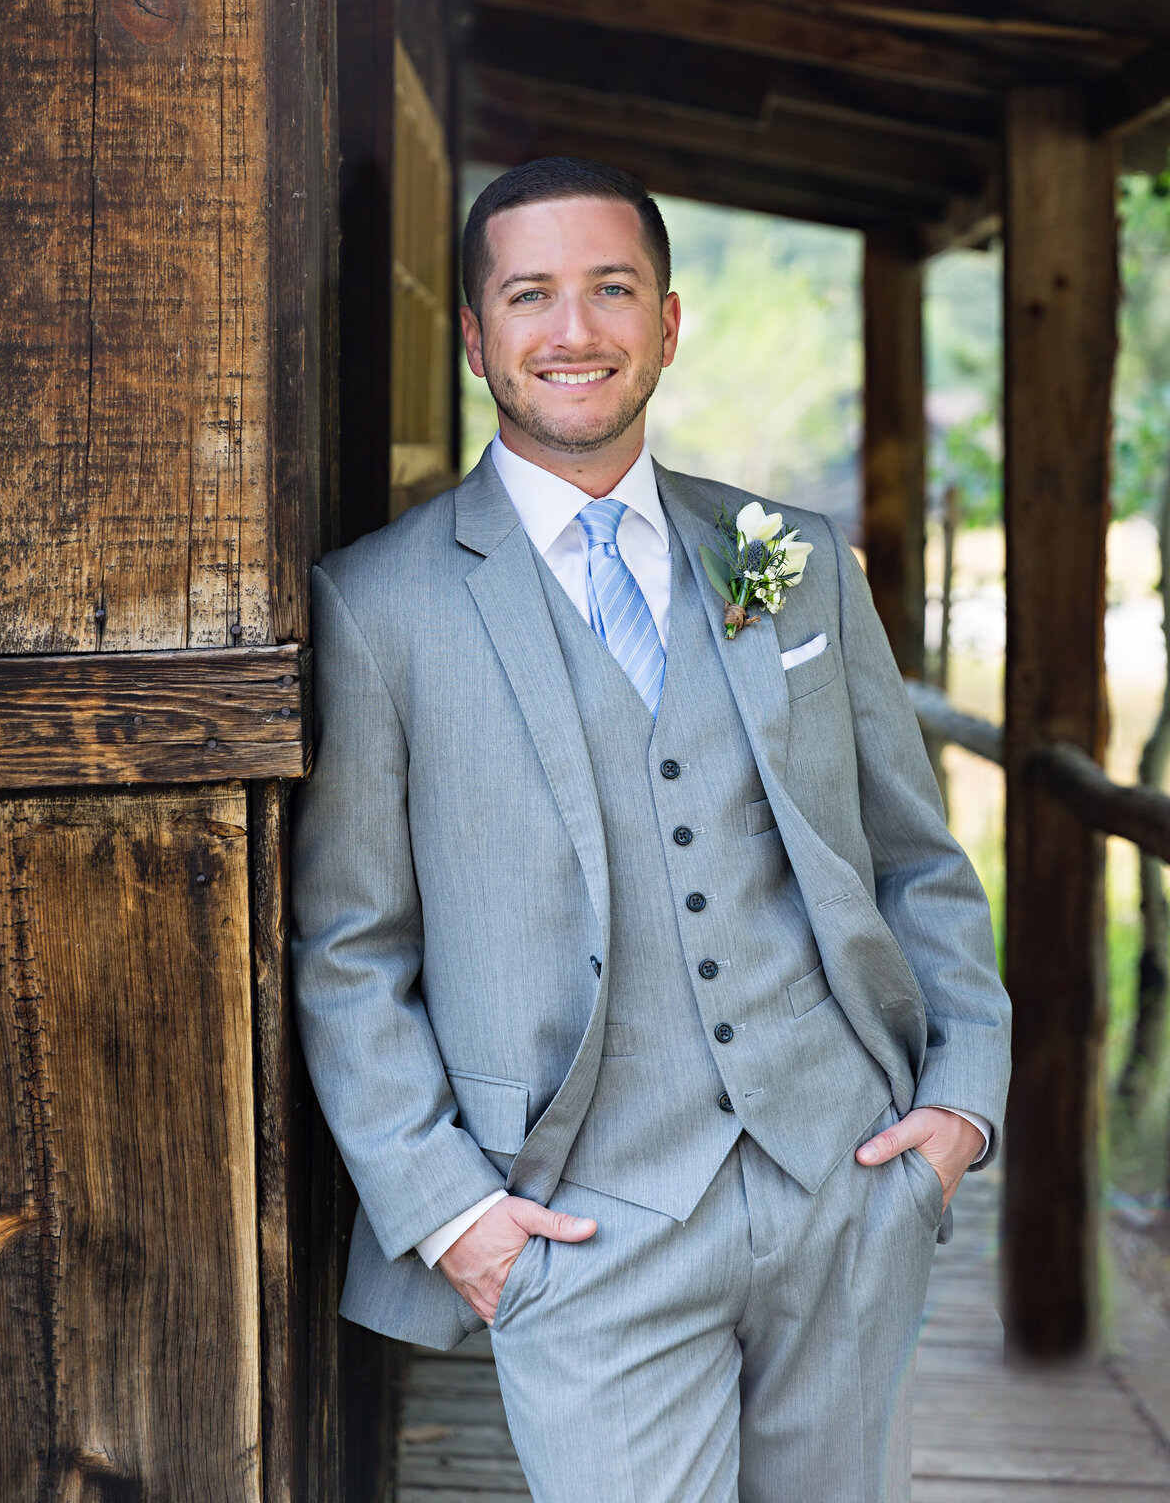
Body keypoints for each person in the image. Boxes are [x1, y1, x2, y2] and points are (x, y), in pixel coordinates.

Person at [291, 157, 1011, 1503]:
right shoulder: (380, 605)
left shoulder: (784, 559)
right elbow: (348, 949)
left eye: (612, 290)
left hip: (841, 1187)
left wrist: (962, 1102)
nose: (574, 332)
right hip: (578, 1223)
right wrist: (455, 1215)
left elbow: (916, 857)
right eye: (531, 295)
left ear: (668, 323)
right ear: (476, 336)